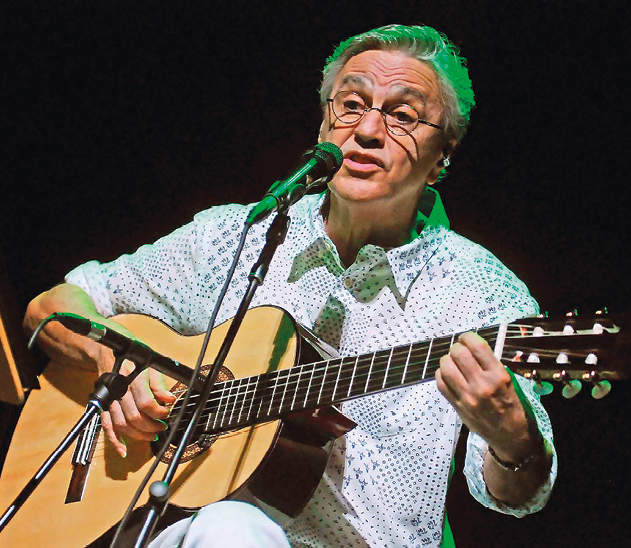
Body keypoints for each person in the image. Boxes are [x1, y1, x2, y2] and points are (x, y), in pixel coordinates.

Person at [24, 24, 556, 548]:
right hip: (191, 532)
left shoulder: (484, 293)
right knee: (229, 528)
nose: (368, 131)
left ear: (444, 155)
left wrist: (514, 440)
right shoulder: (237, 237)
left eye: (403, 115)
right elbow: (53, 309)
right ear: (324, 124)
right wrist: (124, 365)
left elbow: (515, 495)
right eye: (351, 104)